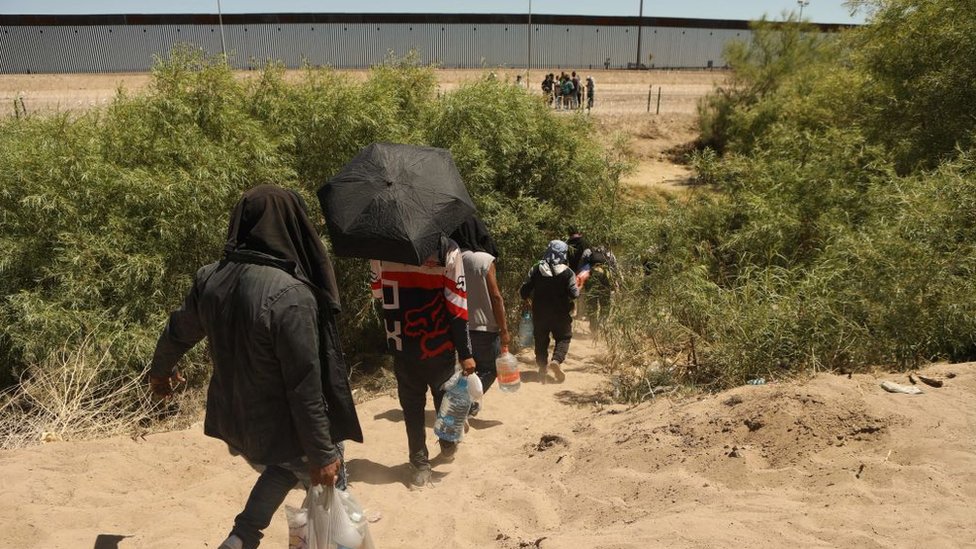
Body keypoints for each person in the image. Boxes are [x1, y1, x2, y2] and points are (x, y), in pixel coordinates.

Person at [149, 185, 363, 549]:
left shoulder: (211, 279)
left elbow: (179, 330)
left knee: (284, 466)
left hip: (239, 423)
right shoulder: (293, 296)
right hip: (285, 424)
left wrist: (159, 372)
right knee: (332, 501)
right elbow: (303, 385)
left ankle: (242, 537)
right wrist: (323, 454)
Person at [370, 237, 476, 488]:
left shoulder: (380, 249)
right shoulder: (447, 249)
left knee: (412, 406)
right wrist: (466, 351)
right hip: (439, 342)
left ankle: (419, 465)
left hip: (401, 342)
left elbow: (377, 292)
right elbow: (457, 304)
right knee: (446, 398)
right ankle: (448, 444)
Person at [450, 216, 509, 403]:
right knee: (490, 369)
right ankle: (463, 406)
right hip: (484, 328)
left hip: (458, 326)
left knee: (468, 370)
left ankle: (464, 405)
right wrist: (504, 330)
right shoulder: (484, 260)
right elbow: (496, 297)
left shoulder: (449, 259)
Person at [519, 240, 579, 383]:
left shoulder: (536, 269)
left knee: (541, 340)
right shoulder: (568, 272)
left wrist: (528, 297)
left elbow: (523, 291)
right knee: (564, 338)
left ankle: (542, 368)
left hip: (540, 313)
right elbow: (574, 294)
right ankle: (556, 361)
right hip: (561, 314)